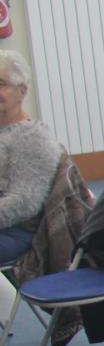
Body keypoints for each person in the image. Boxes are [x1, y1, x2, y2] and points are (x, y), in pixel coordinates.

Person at [0, 50, 61, 261]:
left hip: (16, 231)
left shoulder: (31, 137)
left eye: (1, 84)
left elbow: (23, 202)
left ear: (22, 91)